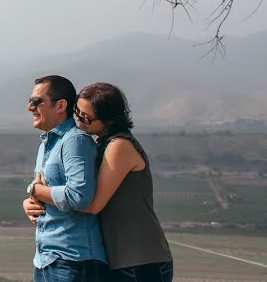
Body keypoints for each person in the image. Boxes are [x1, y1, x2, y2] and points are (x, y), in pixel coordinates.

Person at [27, 82, 174, 282]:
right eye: (77, 112)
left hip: (139, 261)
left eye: (86, 117)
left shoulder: (119, 146)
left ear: (109, 120)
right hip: (119, 259)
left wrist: (38, 191)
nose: (78, 120)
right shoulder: (99, 145)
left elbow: (89, 202)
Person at [22, 75, 107, 282]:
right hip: (47, 259)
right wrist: (31, 202)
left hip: (74, 261)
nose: (29, 107)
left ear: (60, 105)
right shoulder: (46, 145)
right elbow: (47, 192)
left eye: (36, 101)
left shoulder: (75, 141)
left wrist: (35, 190)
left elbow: (79, 196)